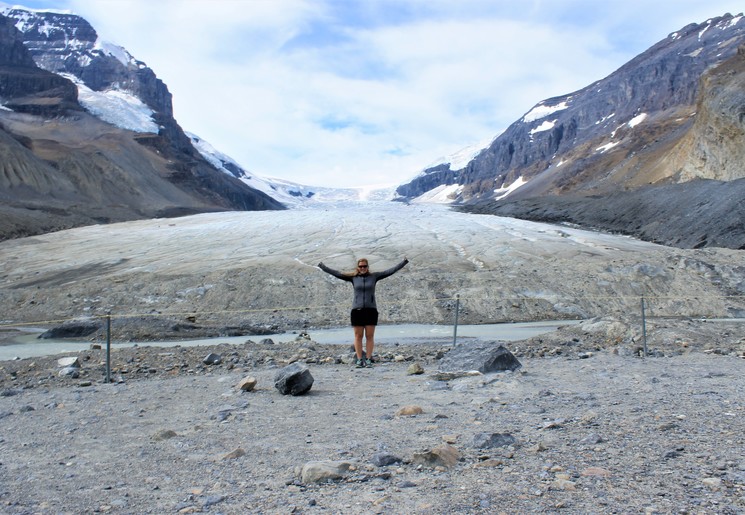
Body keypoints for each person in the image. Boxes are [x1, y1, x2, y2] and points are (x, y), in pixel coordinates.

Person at [318, 257, 409, 368]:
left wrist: (404, 262)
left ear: (367, 267)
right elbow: (336, 273)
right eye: (360, 266)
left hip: (371, 310)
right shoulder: (353, 278)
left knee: (369, 336)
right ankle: (360, 359)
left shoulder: (374, 277)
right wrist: (322, 266)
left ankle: (369, 359)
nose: (362, 268)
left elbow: (390, 271)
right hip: (357, 310)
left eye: (364, 266)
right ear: (358, 267)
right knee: (358, 336)